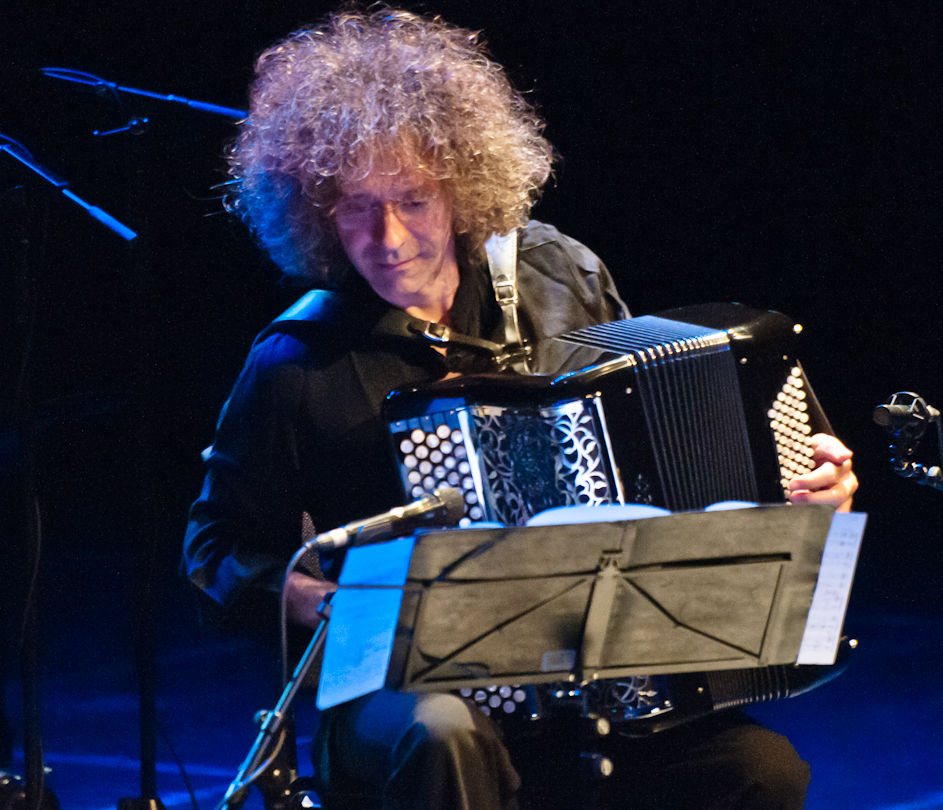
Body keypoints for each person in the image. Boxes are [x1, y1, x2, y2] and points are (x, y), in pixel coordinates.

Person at [182, 8, 858, 810]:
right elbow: (215, 547)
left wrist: (805, 492)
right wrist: (298, 595)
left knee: (760, 770)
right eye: (355, 207)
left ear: (462, 188)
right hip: (401, 694)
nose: (388, 238)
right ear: (314, 206)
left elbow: (658, 453)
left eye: (414, 202)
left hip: (590, 676)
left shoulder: (557, 273)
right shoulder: (299, 360)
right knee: (444, 732)